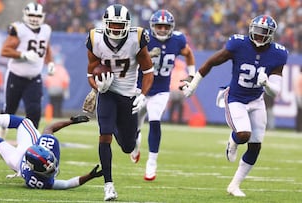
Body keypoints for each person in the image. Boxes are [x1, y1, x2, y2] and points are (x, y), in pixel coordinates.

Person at [182, 15, 288, 197]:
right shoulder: (238, 44)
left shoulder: (278, 54)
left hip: (257, 100)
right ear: (251, 29)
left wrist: (267, 84)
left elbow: (275, 91)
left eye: (264, 33)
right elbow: (212, 62)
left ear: (271, 35)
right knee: (243, 134)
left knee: (256, 146)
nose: (260, 35)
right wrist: (194, 84)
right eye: (258, 31)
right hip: (235, 98)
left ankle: (234, 185)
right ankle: (233, 140)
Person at [85, 4, 154, 201]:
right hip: (108, 94)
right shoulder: (95, 38)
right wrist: (99, 87)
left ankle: (130, 133)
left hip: (128, 95)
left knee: (127, 146)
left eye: (119, 25)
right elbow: (90, 73)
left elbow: (148, 71)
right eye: (112, 25)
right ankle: (108, 186)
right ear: (106, 24)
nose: (115, 29)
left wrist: (144, 94)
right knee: (104, 134)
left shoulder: (136, 38)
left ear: (127, 25)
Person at [0, 104, 102, 189]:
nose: (52, 170)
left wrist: (71, 122)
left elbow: (49, 128)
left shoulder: (39, 176)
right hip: (18, 162)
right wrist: (89, 176)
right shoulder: (42, 177)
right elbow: (65, 184)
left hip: (20, 161)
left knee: (21, 124)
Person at [135, 9, 196, 181]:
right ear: (152, 26)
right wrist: (145, 55)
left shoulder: (177, 40)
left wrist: (191, 74)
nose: (162, 29)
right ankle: (135, 142)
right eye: (159, 26)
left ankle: (152, 163)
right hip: (139, 87)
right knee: (134, 125)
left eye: (165, 26)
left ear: (171, 27)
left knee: (155, 121)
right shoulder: (143, 38)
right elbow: (130, 58)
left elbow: (188, 53)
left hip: (161, 89)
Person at [0, 2, 55, 137]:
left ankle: (31, 138)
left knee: (34, 111)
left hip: (34, 78)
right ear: (25, 15)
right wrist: (22, 54)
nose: (34, 18)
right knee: (9, 110)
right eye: (31, 15)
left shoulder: (46, 29)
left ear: (42, 16)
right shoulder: (19, 29)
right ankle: (1, 132)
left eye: (37, 16)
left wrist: (50, 62)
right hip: (16, 75)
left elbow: (45, 47)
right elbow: (4, 50)